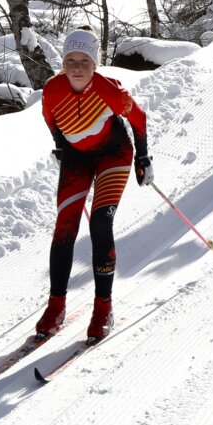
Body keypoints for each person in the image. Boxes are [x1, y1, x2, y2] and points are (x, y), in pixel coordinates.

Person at [34, 30, 150, 345]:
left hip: (114, 153)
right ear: (63, 63)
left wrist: (143, 158)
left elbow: (138, 119)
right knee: (65, 226)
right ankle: (56, 306)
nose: (76, 67)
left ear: (94, 64)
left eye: (84, 61)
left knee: (100, 221)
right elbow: (52, 122)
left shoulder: (110, 91)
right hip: (76, 158)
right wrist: (61, 145)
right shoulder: (53, 90)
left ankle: (103, 307)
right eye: (70, 60)